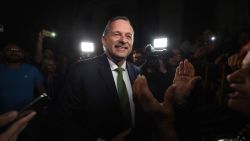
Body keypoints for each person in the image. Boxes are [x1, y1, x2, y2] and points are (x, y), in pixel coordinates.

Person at [51, 16, 151, 141]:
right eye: (117, 34)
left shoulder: (137, 73)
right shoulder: (80, 71)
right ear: (104, 40)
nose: (123, 40)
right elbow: (63, 121)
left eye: (128, 36)